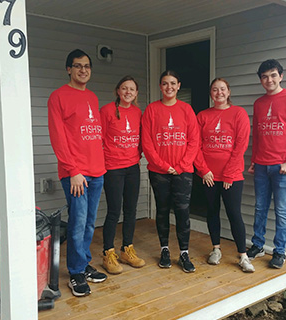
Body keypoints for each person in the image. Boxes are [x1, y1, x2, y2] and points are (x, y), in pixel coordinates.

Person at [48, 49, 107, 297]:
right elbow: (58, 138)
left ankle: (83, 264)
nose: (83, 70)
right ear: (68, 69)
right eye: (78, 66)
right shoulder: (58, 97)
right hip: (76, 174)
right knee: (77, 222)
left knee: (90, 223)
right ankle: (75, 272)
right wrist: (73, 170)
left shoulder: (92, 97)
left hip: (96, 171)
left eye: (87, 66)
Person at [246, 59, 286, 269]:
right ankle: (257, 245)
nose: (269, 79)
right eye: (264, 76)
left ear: (281, 76)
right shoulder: (259, 103)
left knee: (281, 210)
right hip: (262, 165)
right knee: (260, 207)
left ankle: (279, 251)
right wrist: (254, 160)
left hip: (283, 167)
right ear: (261, 80)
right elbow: (258, 135)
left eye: (272, 75)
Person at [141, 70, 199, 273]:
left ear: (179, 85)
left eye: (173, 83)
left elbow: (194, 140)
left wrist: (182, 165)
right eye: (165, 84)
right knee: (163, 210)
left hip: (183, 171)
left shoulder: (186, 109)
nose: (169, 87)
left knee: (183, 212)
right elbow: (147, 142)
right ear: (160, 86)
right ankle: (164, 249)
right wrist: (164, 166)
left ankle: (184, 252)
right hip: (159, 171)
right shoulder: (152, 109)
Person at [194, 78, 254, 272]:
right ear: (210, 93)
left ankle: (243, 256)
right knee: (212, 211)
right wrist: (203, 170)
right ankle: (216, 249)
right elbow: (196, 145)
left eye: (222, 89)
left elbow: (240, 145)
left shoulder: (238, 113)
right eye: (214, 90)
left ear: (228, 92)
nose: (218, 93)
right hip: (209, 175)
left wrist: (228, 174)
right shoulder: (203, 115)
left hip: (232, 175)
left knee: (234, 213)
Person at [100, 76, 145, 274]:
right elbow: (98, 138)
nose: (128, 92)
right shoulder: (107, 110)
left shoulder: (137, 112)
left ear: (136, 94)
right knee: (114, 211)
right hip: (113, 168)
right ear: (118, 91)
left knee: (131, 210)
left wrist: (138, 155)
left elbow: (142, 137)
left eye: (132, 89)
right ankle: (108, 253)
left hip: (133, 167)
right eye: (124, 88)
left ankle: (127, 248)